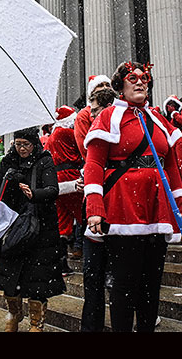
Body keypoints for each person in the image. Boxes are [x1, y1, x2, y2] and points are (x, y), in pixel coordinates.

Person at [83, 61, 182, 332]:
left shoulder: (157, 118)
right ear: (121, 85)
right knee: (125, 284)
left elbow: (171, 167)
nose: (140, 82)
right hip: (122, 206)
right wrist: (94, 205)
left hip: (157, 207)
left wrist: (181, 207)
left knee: (151, 284)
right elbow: (94, 164)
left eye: (145, 78)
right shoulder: (108, 116)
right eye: (133, 78)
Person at [0, 126, 65, 332]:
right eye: (18, 144)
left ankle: (36, 323)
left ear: (34, 143)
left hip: (40, 228)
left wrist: (33, 193)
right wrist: (8, 182)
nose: (22, 149)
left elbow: (52, 190)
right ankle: (14, 313)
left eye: (26, 144)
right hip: (13, 226)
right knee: (10, 276)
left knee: (38, 281)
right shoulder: (8, 162)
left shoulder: (44, 160)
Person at [80, 86, 116, 332]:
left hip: (115, 216)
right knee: (91, 279)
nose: (91, 116)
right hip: (94, 218)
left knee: (116, 281)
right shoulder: (94, 137)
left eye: (94, 111)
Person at [44, 105, 84, 273]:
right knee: (84, 214)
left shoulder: (52, 136)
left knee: (63, 221)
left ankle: (61, 263)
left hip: (56, 179)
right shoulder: (68, 133)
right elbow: (83, 147)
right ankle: (87, 251)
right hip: (71, 175)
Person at [74, 74, 112, 159]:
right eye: (100, 85)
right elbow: (84, 146)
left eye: (107, 85)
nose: (105, 88)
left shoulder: (118, 108)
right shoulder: (83, 115)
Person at [163, 95, 182, 190]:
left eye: (170, 105)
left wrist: (175, 114)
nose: (169, 108)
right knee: (178, 164)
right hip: (177, 141)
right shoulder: (172, 117)